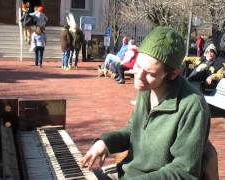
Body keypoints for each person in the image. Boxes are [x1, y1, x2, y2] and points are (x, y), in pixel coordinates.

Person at [80, 26, 213, 179]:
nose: (138, 75)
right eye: (137, 65)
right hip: (127, 174)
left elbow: (184, 172)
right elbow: (133, 131)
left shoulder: (192, 106)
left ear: (173, 73)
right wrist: (105, 143)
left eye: (149, 73)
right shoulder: (147, 89)